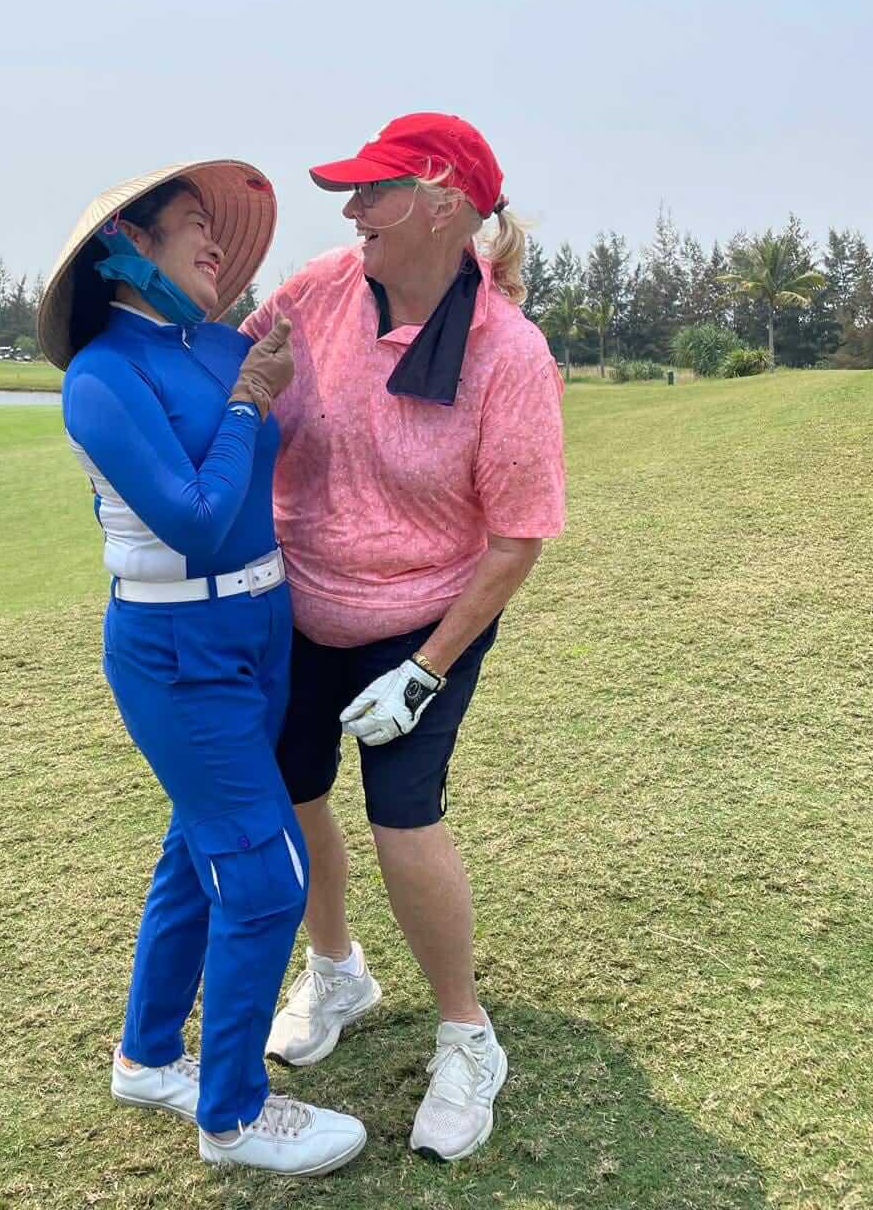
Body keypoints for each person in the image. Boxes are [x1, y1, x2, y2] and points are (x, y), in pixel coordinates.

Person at [242, 114, 566, 1163]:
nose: (351, 211)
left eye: (373, 191)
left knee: (402, 814)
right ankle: (338, 970)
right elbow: (234, 378)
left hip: (426, 617)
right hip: (296, 603)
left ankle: (468, 1036)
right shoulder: (318, 292)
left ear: (441, 204)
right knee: (294, 793)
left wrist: (424, 673)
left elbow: (516, 539)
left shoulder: (507, 353)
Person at [37, 160, 367, 1178]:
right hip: (175, 649)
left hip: (261, 631)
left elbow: (314, 403)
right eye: (192, 223)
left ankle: (147, 1058)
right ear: (126, 247)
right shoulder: (101, 377)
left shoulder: (226, 346)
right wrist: (247, 405)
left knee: (199, 847)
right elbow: (193, 517)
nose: (216, 241)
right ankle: (232, 1115)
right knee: (265, 876)